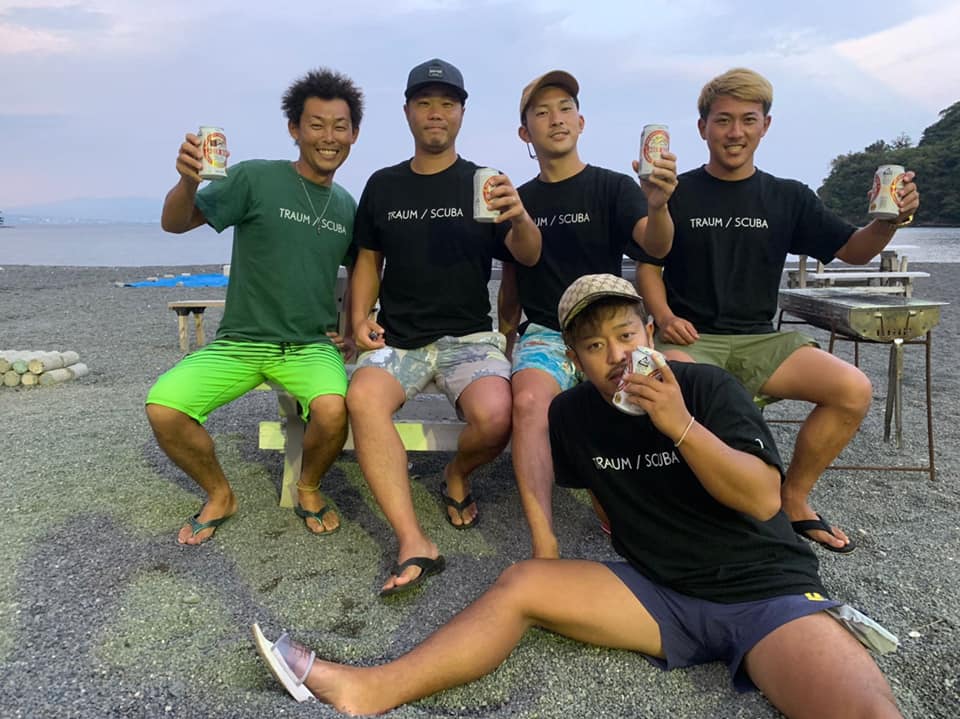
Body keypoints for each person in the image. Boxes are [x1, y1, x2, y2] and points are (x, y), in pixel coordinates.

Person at [252, 273, 902, 719]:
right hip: (661, 596)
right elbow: (598, 492)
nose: (616, 356)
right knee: (524, 582)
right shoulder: (572, 415)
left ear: (648, 334)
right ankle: (371, 689)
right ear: (573, 357)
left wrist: (677, 424)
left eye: (626, 335)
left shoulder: (707, 390)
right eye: (594, 346)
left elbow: (762, 501)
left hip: (768, 596)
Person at [635, 67, 921, 553]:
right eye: (723, 120)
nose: (735, 132)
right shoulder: (676, 190)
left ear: (766, 126)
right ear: (702, 127)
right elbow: (650, 264)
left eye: (748, 120)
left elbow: (853, 250)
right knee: (670, 390)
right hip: (691, 338)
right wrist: (663, 317)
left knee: (852, 389)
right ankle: (693, 509)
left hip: (763, 340)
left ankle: (793, 498)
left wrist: (890, 221)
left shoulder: (788, 196)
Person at [345, 58, 542, 595]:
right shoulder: (384, 184)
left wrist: (520, 216)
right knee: (362, 398)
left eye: (447, 103)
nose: (436, 113)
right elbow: (369, 259)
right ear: (407, 111)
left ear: (461, 113)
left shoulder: (485, 182)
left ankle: (457, 474)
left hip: (469, 338)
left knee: (497, 416)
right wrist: (360, 318)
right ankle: (413, 541)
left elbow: (526, 254)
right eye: (425, 103)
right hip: (399, 338)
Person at [147, 68, 364, 545]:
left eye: (340, 126)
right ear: (294, 129)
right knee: (164, 406)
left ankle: (308, 487)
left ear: (354, 134)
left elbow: (360, 272)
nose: (328, 137)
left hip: (309, 345)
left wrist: (351, 329)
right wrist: (187, 182)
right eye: (316, 124)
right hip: (241, 342)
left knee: (332, 410)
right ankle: (219, 493)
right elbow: (175, 223)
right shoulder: (255, 178)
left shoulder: (348, 206)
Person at [497, 70, 677, 558]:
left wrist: (659, 206)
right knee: (528, 402)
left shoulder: (613, 187)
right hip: (547, 332)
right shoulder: (520, 199)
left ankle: (646, 510)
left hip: (608, 331)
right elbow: (514, 275)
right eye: (541, 112)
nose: (556, 119)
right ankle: (544, 544)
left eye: (565, 109)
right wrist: (506, 337)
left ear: (581, 122)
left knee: (653, 391)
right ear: (525, 133)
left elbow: (655, 245)